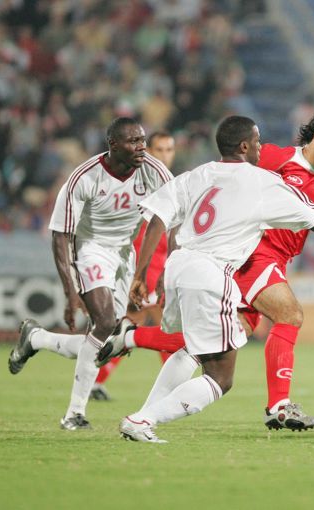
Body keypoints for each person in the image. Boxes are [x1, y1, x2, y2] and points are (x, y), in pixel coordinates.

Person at [97, 106, 314, 431]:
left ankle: (132, 343)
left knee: (221, 339)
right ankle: (279, 406)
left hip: (268, 263)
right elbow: (226, 179)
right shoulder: (272, 158)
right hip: (252, 256)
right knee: (290, 315)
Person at [7, 117, 174, 430]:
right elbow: (60, 235)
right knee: (106, 322)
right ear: (113, 145)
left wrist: (162, 269)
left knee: (105, 339)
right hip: (90, 248)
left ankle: (37, 338)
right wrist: (70, 291)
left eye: (142, 140)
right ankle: (74, 414)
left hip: (125, 252)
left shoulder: (154, 171)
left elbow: (172, 218)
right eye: (133, 142)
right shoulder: (83, 178)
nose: (141, 147)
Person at [91, 131, 177, 401]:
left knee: (132, 325)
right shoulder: (139, 184)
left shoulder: (172, 185)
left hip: (160, 268)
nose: (165, 155)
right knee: (164, 328)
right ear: (148, 152)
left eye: (169, 149)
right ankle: (172, 389)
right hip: (141, 269)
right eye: (159, 149)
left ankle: (95, 378)